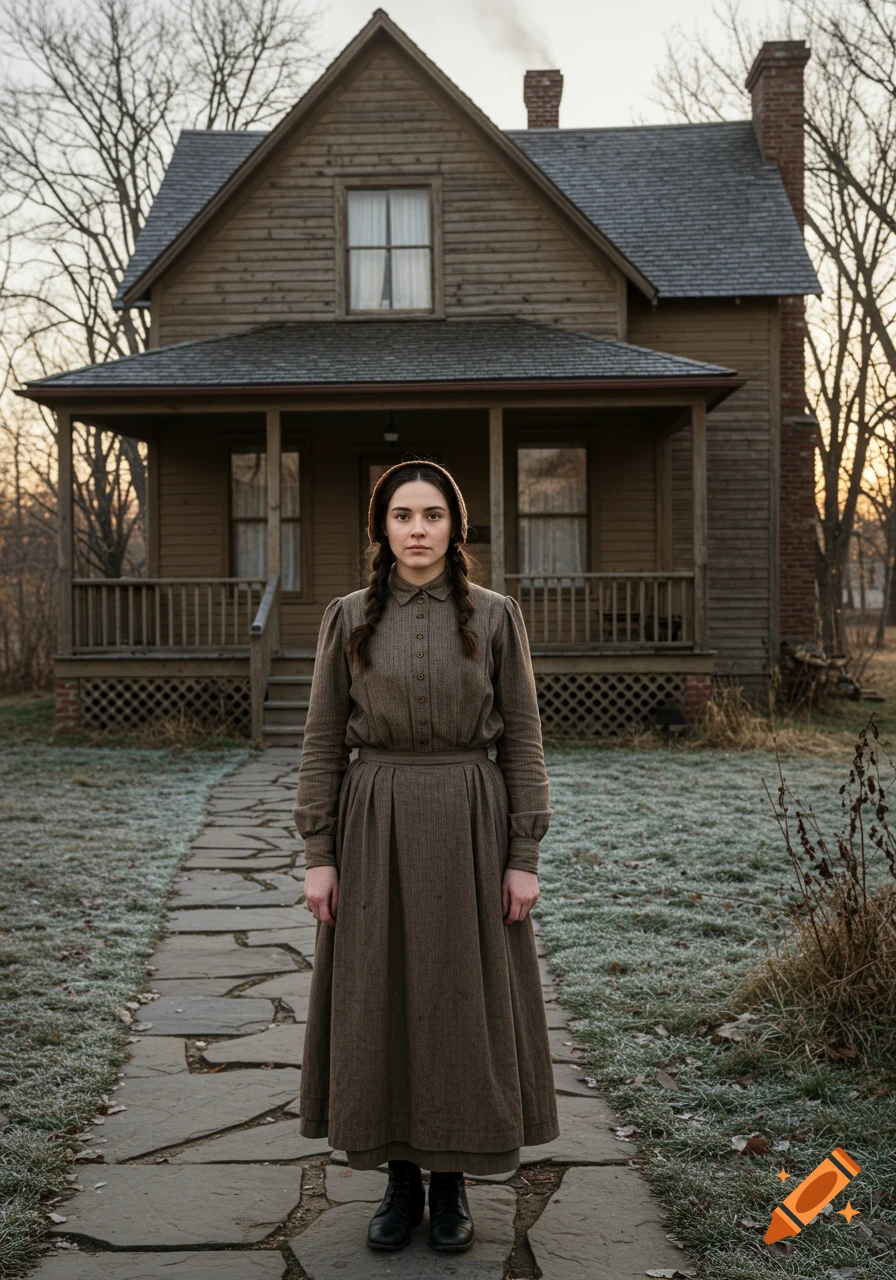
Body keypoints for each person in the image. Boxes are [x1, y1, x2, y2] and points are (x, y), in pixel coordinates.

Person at [292, 459, 559, 1253]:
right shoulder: (346, 619)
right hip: (372, 826)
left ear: (455, 527)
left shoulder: (495, 615)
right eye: (403, 515)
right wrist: (319, 852)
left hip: (472, 829)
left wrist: (524, 853)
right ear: (382, 528)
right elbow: (317, 744)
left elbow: (525, 740)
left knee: (459, 1004)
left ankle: (451, 1189)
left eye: (432, 515)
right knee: (380, 998)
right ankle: (398, 1180)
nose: (417, 529)